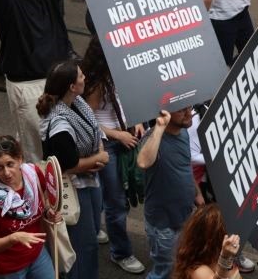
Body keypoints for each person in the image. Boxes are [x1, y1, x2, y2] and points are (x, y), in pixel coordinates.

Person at [0, 0, 96, 164]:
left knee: (61, 139)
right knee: (37, 147)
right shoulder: (6, 2)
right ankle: (41, 191)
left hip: (55, 81)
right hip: (27, 87)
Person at [81, 36, 146, 275]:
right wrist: (118, 136)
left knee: (108, 194)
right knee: (116, 202)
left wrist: (136, 120)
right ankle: (121, 253)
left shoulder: (118, 73)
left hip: (122, 138)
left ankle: (95, 227)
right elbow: (88, 122)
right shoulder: (97, 83)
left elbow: (127, 100)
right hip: (106, 145)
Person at [38, 60, 108, 279]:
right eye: (80, 76)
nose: (84, 77)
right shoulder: (59, 124)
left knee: (93, 232)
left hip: (89, 180)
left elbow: (94, 130)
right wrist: (99, 157)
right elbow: (69, 164)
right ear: (71, 86)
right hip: (74, 187)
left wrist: (98, 151)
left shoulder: (76, 103)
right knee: (83, 244)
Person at [0, 136, 58, 279]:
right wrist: (13, 238)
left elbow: (44, 201)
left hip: (37, 255)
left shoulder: (34, 174)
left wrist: (49, 212)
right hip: (6, 270)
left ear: (20, 159)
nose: (6, 173)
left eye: (10, 164)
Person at [137, 107, 199, 279]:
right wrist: (159, 127)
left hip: (185, 216)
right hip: (163, 225)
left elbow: (185, 167)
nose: (189, 113)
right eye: (182, 110)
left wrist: (198, 195)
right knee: (164, 271)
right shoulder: (153, 137)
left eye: (189, 107)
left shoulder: (184, 132)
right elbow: (143, 162)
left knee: (181, 266)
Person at [171, 205, 242, 279]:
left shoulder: (214, 257)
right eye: (228, 227)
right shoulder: (198, 270)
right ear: (218, 236)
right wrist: (225, 258)